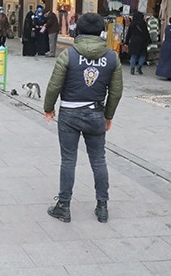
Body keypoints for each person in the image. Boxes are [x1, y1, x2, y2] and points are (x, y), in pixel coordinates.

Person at [43, 13, 123, 224]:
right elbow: (116, 92)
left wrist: (49, 108)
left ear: (78, 30)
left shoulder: (68, 55)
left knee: (68, 160)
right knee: (99, 160)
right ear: (101, 32)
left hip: (69, 114)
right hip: (96, 113)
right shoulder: (112, 57)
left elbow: (54, 85)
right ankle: (102, 206)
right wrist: (108, 116)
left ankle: (64, 206)